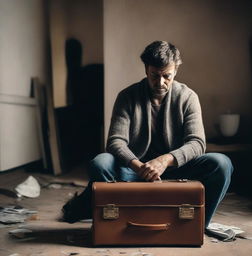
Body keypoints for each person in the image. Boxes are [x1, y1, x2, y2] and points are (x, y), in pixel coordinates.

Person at [62, 40, 233, 228]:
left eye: (167, 76)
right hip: (134, 170)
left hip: (176, 169)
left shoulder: (188, 97)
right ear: (146, 70)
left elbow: (197, 143)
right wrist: (139, 167)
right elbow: (115, 141)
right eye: (154, 75)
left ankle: (198, 226)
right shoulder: (127, 96)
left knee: (222, 164)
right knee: (100, 163)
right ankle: (116, 221)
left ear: (175, 70)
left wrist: (164, 161)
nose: (160, 82)